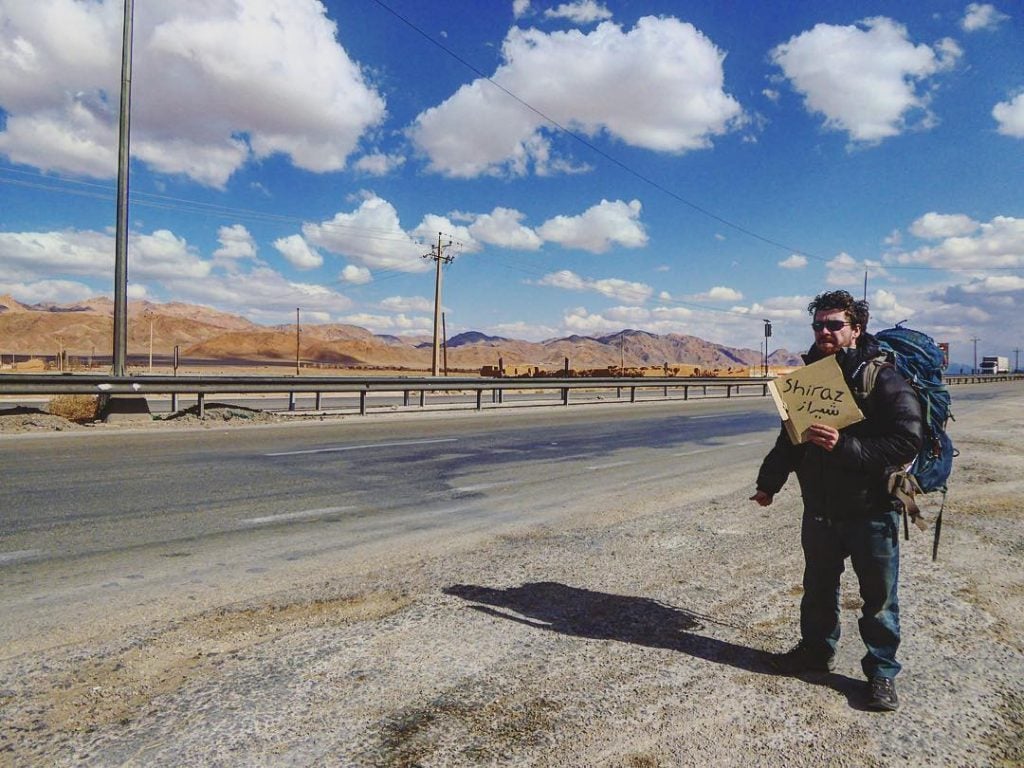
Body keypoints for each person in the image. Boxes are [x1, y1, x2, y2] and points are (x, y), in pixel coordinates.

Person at [750, 290, 923, 712]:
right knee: (818, 588)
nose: (824, 332)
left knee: (878, 599)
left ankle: (881, 673)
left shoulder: (882, 379)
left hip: (872, 510)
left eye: (834, 325)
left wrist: (845, 446)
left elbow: (906, 440)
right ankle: (815, 652)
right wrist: (768, 483)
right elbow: (790, 439)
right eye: (819, 325)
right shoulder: (810, 379)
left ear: (856, 329)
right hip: (822, 510)